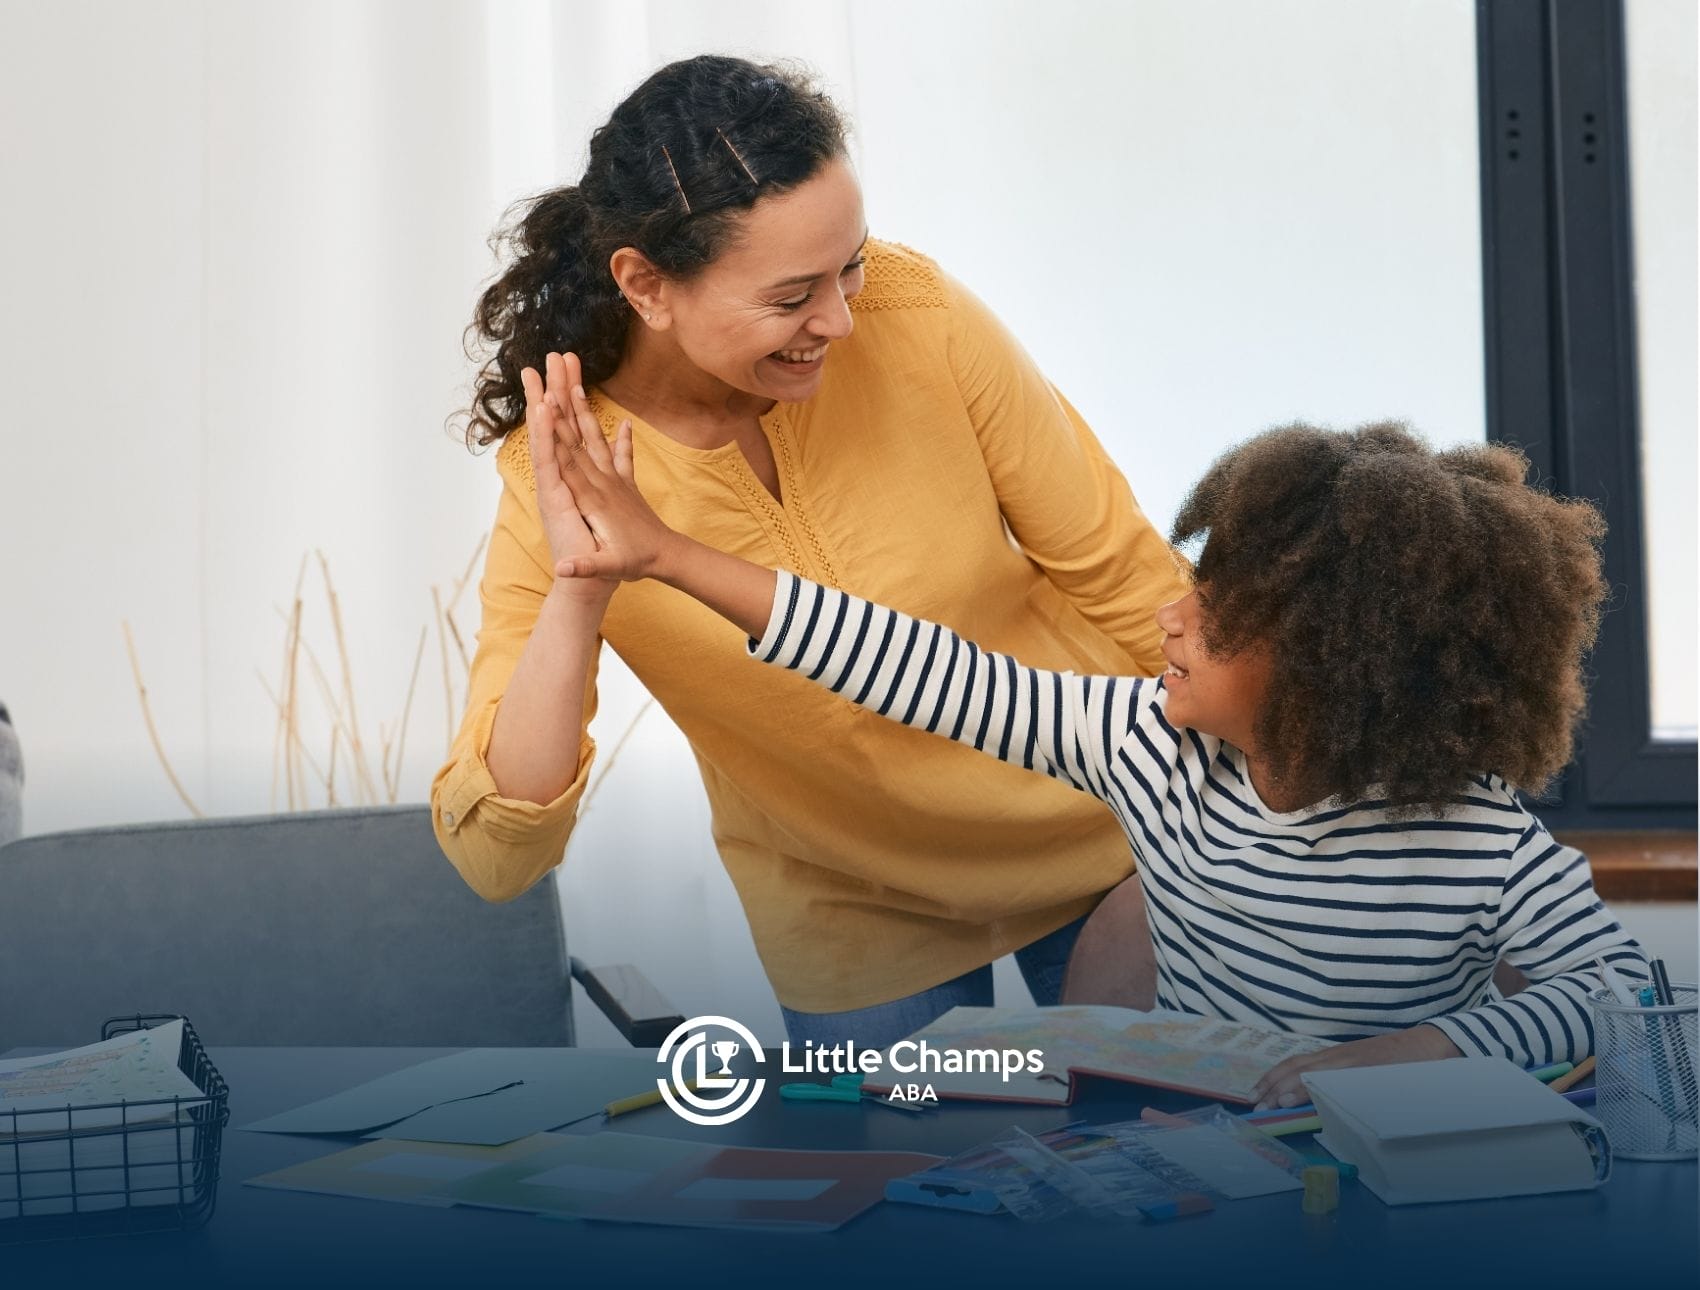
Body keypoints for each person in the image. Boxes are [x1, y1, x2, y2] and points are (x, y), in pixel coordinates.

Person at [540, 413, 1650, 1106]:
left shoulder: (1475, 835)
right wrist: (672, 556)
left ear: (1328, 666)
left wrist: (1397, 1057)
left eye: (1217, 610)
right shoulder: (1149, 747)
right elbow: (918, 667)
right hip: (1199, 1166)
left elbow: (1615, 998)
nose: (1169, 617)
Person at [432, 55, 1190, 1047]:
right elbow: (499, 856)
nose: (838, 319)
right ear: (644, 285)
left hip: (1103, 840)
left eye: (850, 265)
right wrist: (581, 591)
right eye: (791, 296)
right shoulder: (562, 472)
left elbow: (1126, 575)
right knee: (910, 1192)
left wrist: (1286, 800)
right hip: (854, 915)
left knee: (1156, 1165)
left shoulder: (914, 315)